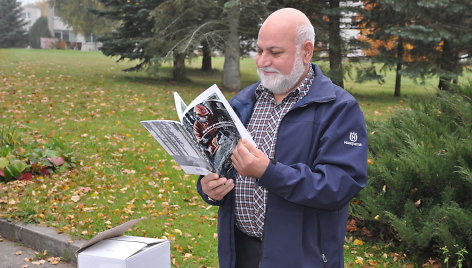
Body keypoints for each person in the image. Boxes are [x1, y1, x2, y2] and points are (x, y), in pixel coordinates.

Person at [197, 7, 368, 268]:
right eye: (260, 50)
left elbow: (339, 185)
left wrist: (268, 172)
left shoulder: (338, 108)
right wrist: (209, 189)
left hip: (301, 257)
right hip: (240, 251)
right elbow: (216, 164)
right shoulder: (243, 102)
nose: (263, 61)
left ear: (306, 51)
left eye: (275, 52)